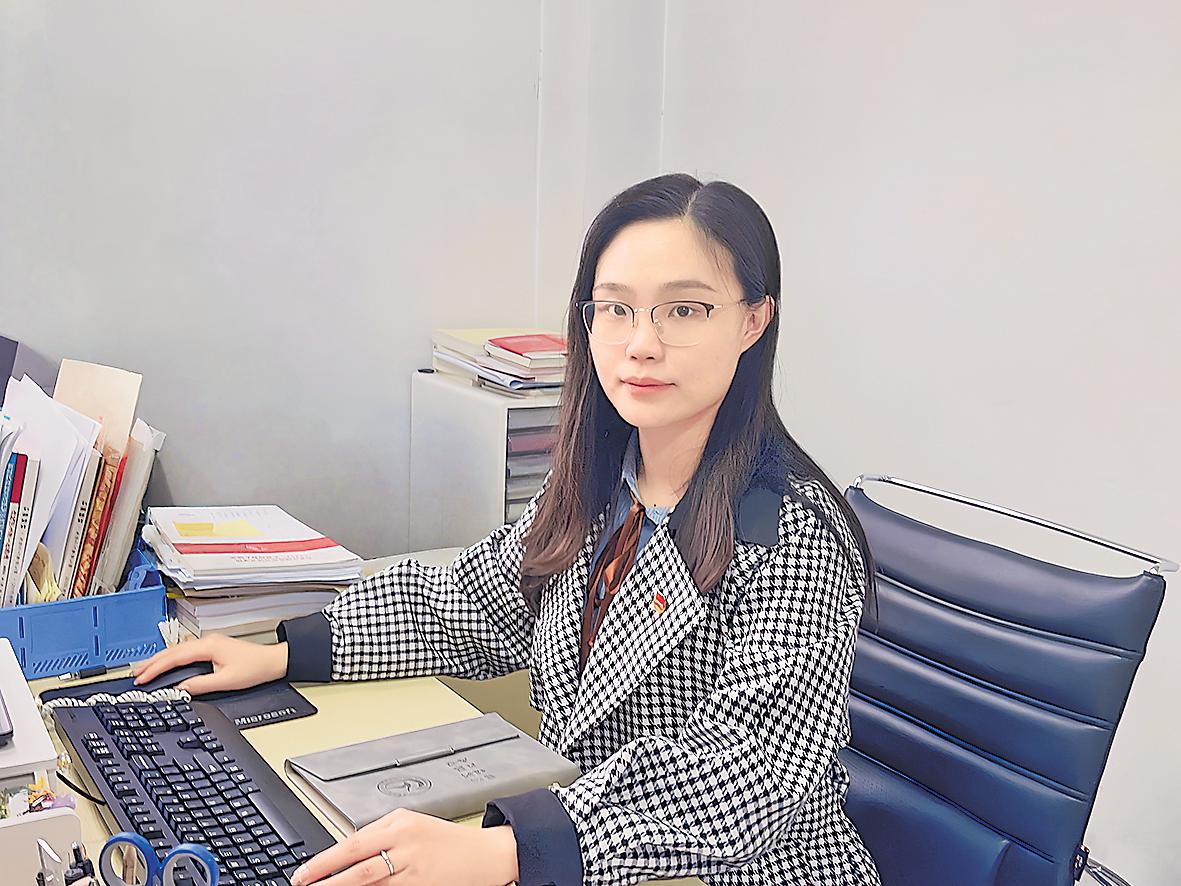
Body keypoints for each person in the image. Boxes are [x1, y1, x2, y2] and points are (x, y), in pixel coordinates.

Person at [133, 173, 882, 886]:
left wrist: (516, 847)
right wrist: (287, 651)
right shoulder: (601, 485)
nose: (640, 343)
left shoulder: (794, 535)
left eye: (683, 310)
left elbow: (751, 772)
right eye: (615, 309)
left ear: (753, 320)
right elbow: (469, 602)